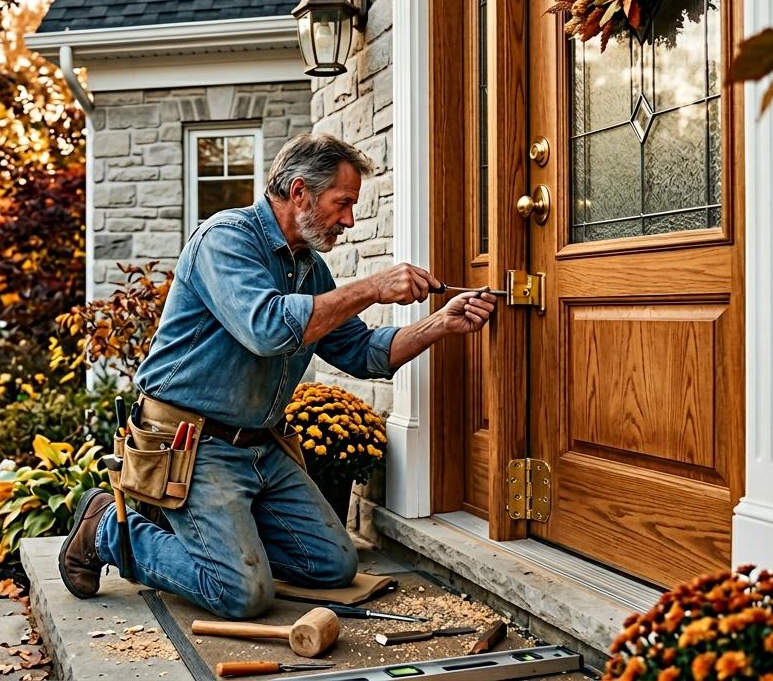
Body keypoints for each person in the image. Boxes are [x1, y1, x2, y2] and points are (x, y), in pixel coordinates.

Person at [58, 133, 497, 619]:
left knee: (332, 565)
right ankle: (106, 528)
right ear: (300, 191)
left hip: (261, 446)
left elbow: (362, 353)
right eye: (343, 203)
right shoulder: (225, 238)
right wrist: (374, 286)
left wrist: (441, 323)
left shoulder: (309, 268)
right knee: (241, 595)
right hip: (191, 443)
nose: (349, 219)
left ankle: (220, 543)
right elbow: (267, 328)